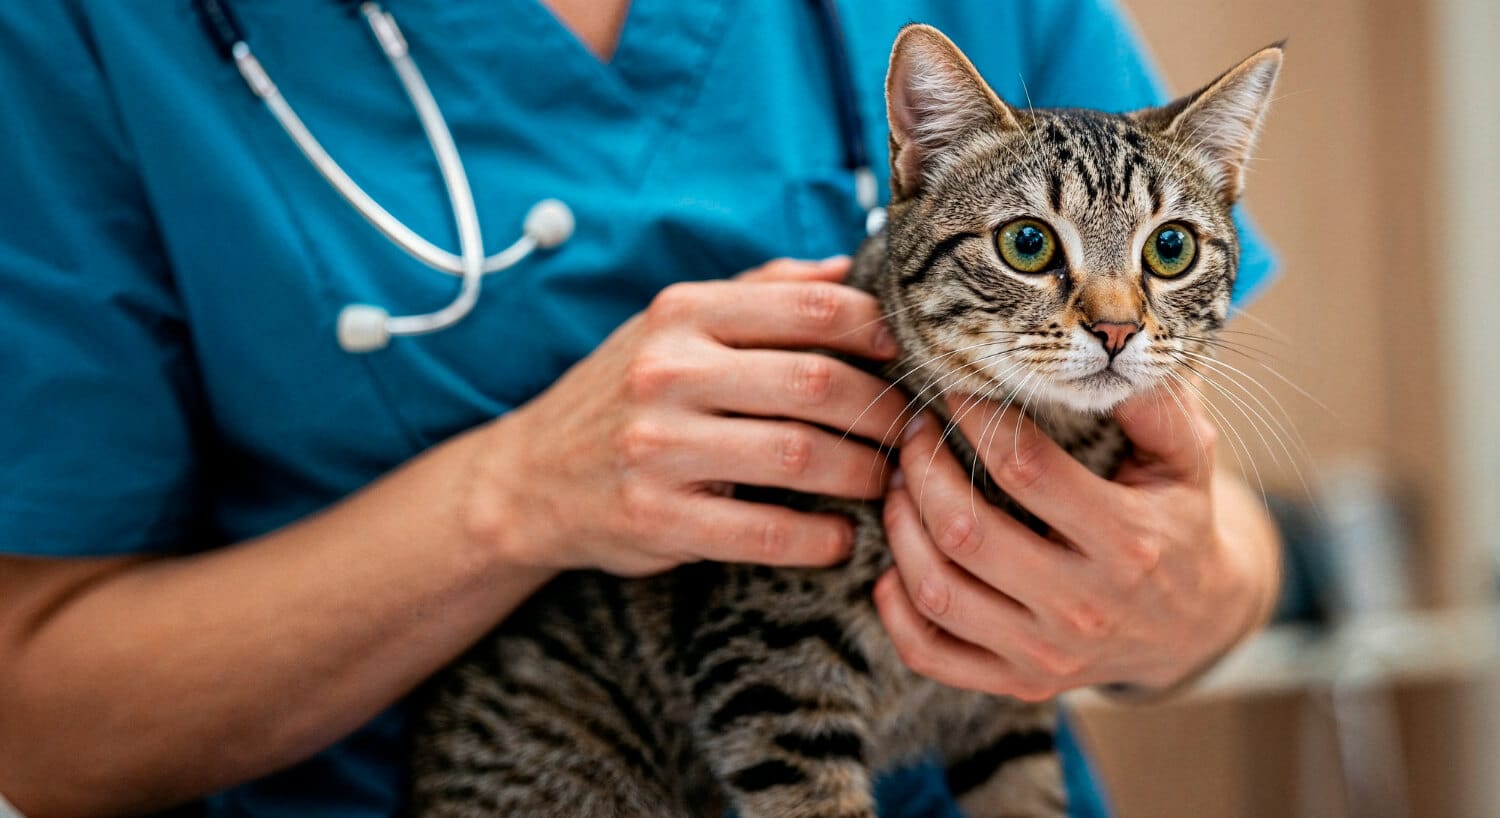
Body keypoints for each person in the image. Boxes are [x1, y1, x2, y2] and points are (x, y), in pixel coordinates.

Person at [0, 1, 1281, 816]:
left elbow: (1227, 554)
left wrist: (1190, 589)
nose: (1116, 314)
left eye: (1162, 261)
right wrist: (511, 499)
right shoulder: (86, 35)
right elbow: (41, 720)